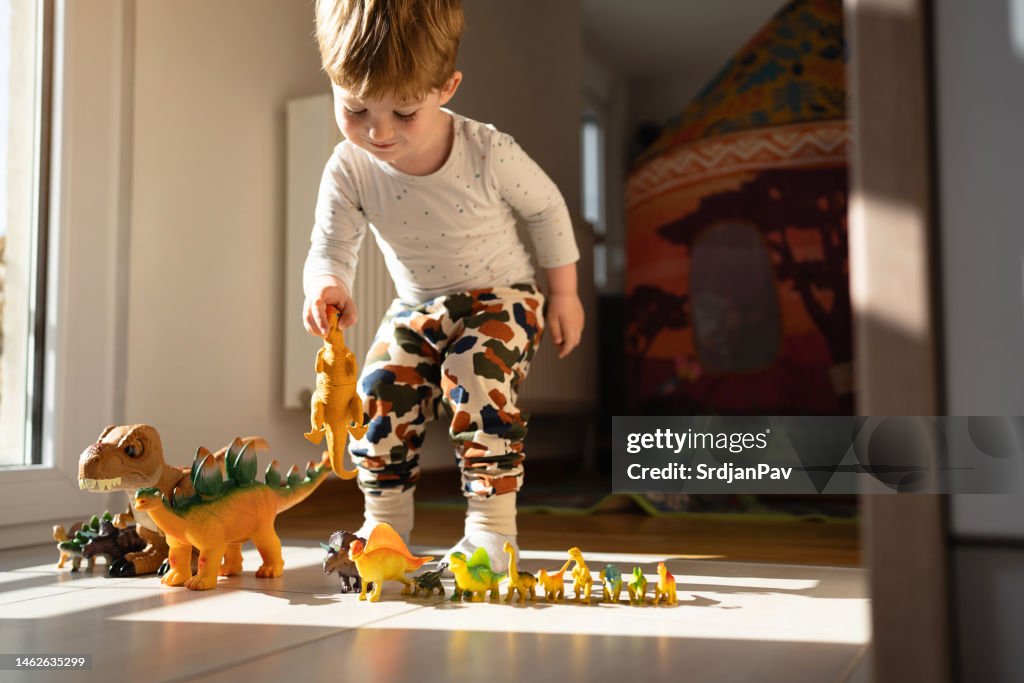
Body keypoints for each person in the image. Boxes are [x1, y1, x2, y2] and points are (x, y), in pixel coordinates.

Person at [302, 0, 584, 568]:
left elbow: (547, 210)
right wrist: (326, 283)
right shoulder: (349, 167)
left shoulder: (486, 150)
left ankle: (491, 532)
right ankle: (385, 529)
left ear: (446, 87)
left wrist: (566, 293)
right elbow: (331, 246)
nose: (378, 131)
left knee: (472, 373)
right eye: (355, 107)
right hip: (416, 305)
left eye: (403, 113)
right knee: (378, 386)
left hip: (502, 296)